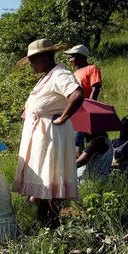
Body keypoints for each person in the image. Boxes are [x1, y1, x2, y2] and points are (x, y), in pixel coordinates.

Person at [13, 39, 85, 227]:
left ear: (44, 57)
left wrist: (62, 117)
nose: (31, 66)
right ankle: (43, 221)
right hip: (41, 135)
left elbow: (77, 94)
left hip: (51, 136)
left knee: (50, 178)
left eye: (33, 61)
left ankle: (52, 224)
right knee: (43, 179)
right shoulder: (47, 78)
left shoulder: (60, 75)